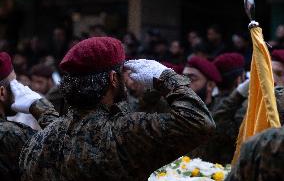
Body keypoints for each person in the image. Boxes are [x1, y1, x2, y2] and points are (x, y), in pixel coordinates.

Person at [20, 37, 215, 181]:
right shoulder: (127, 132)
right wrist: (166, 77)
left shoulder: (37, 141)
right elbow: (199, 122)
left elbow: (69, 131)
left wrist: (39, 108)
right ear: (114, 79)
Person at [0, 52, 58, 180]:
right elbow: (64, 148)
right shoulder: (12, 134)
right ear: (2, 92)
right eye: (14, 84)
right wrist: (39, 105)